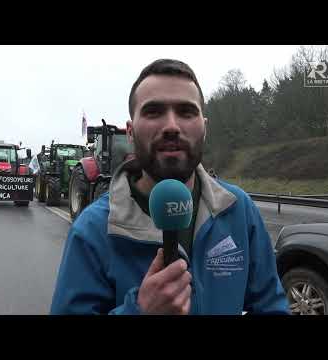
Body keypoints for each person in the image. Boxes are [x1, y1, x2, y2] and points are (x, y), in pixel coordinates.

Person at [50, 59, 290, 315]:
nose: (172, 126)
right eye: (153, 112)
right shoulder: (92, 230)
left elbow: (271, 306)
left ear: (204, 128)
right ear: (130, 132)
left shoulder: (239, 210)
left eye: (186, 112)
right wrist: (139, 311)